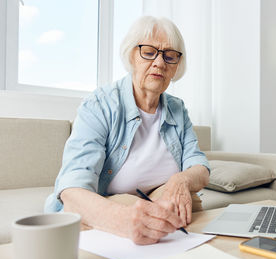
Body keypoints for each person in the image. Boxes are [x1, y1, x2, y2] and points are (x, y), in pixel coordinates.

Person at [44, 16, 210, 245]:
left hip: (164, 217)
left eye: (169, 55)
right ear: (132, 55)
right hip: (112, 208)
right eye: (149, 52)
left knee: (188, 198)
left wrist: (179, 181)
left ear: (176, 66)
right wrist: (123, 217)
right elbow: (72, 189)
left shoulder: (177, 109)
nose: (160, 63)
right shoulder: (100, 104)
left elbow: (199, 166)